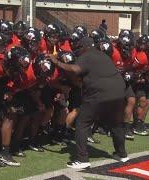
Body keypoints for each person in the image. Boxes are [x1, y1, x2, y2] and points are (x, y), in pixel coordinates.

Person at [50, 36, 128, 169]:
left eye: (79, 48)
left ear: (85, 47)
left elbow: (75, 70)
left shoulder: (87, 55)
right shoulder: (103, 56)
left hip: (99, 94)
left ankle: (82, 159)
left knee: (82, 123)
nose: (78, 51)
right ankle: (121, 154)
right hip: (119, 92)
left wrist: (57, 62)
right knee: (116, 124)